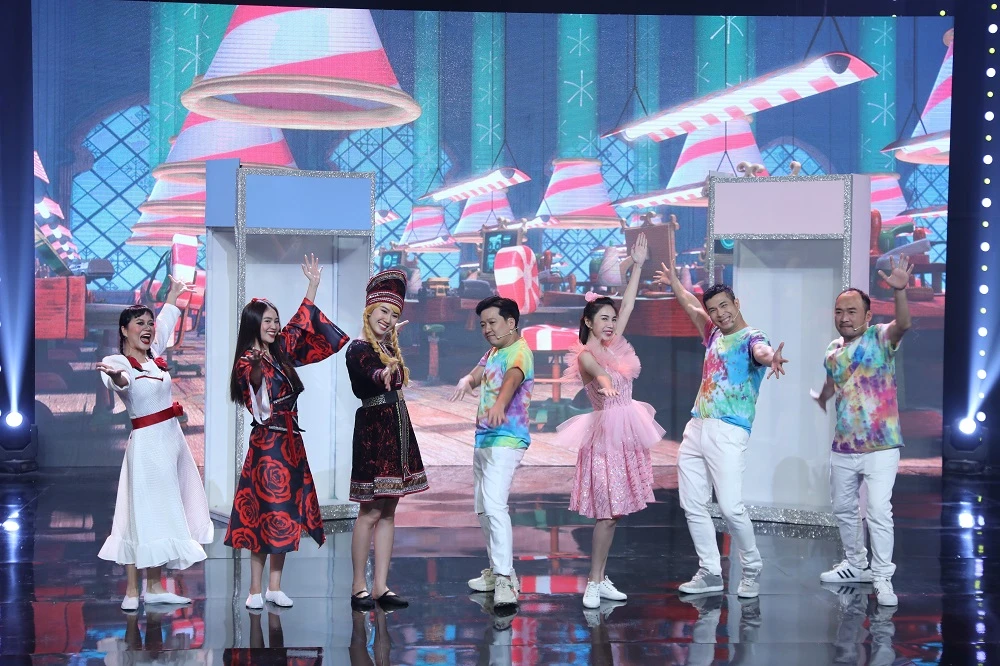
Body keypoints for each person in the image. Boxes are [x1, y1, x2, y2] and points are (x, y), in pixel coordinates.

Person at [653, 259, 788, 599]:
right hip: (697, 426)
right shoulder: (713, 332)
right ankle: (710, 572)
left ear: (736, 303)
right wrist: (674, 283)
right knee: (693, 504)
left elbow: (761, 351)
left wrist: (771, 358)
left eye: (724, 306)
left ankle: (752, 567)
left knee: (730, 508)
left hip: (728, 431)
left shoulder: (752, 337)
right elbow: (690, 305)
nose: (720, 314)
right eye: (714, 309)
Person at [225, 254, 349, 610]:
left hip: (291, 442)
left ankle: (275, 587)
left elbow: (299, 324)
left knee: (285, 515)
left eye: (275, 320)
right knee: (264, 512)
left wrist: (312, 286)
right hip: (267, 444)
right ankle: (254, 590)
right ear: (253, 324)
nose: (274, 326)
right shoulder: (248, 361)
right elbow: (256, 397)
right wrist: (256, 369)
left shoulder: (279, 352)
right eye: (267, 321)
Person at [557, 233, 665, 609]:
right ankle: (592, 581)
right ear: (588, 321)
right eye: (603, 318)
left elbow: (629, 304)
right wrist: (604, 382)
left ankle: (600, 578)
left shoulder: (614, 343)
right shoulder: (585, 354)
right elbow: (597, 372)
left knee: (614, 513)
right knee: (606, 513)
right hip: (604, 437)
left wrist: (638, 265)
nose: (610, 323)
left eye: (612, 319)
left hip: (627, 433)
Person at [97, 276, 214, 612]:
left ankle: (155, 586)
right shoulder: (118, 362)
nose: (148, 328)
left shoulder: (153, 356)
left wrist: (174, 296)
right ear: (124, 330)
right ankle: (133, 590)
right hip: (147, 448)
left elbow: (164, 323)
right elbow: (118, 380)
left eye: (149, 323)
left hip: (171, 444)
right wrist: (117, 378)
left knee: (163, 513)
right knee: (140, 515)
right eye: (139, 323)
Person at [811, 257, 913, 607]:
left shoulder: (880, 337)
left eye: (852, 311)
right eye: (840, 311)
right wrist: (822, 397)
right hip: (843, 446)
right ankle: (856, 564)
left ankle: (882, 576)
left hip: (881, 446)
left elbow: (903, 324)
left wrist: (900, 292)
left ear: (867, 316)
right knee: (844, 509)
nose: (844, 317)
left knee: (879, 512)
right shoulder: (832, 350)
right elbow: (834, 380)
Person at [347, 269, 429, 611]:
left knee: (390, 510)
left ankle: (381, 586)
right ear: (369, 311)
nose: (388, 318)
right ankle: (359, 586)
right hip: (374, 431)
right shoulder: (358, 349)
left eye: (394, 314)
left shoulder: (384, 346)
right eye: (383, 311)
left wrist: (391, 347)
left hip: (396, 426)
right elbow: (374, 375)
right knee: (369, 511)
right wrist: (386, 369)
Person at [450, 296, 534, 608]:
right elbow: (478, 373)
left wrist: (500, 404)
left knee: (495, 506)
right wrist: (467, 380)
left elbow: (512, 378)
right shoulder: (494, 351)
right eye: (483, 324)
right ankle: (496, 570)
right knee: (483, 508)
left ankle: (505, 578)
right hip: (484, 438)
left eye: (492, 322)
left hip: (507, 439)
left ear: (511, 322)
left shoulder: (520, 351)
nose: (487, 329)